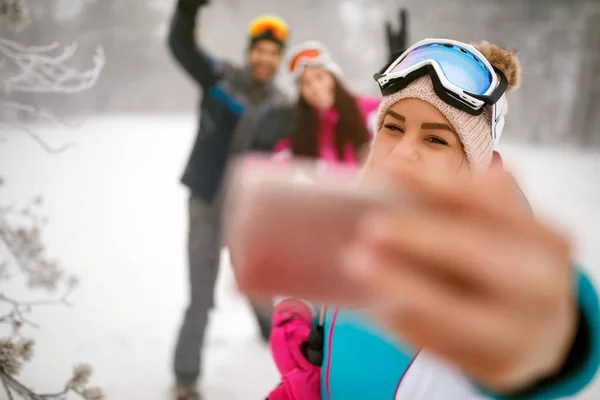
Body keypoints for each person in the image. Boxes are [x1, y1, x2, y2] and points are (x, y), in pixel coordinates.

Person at [266, 39, 600, 399]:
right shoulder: (369, 218)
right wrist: (306, 333)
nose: (403, 152)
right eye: (393, 128)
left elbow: (542, 333)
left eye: (436, 140)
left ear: (477, 161)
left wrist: (562, 341)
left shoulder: (483, 259)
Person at [166, 0, 293, 398]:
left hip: (246, 213)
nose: (265, 58)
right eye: (260, 50)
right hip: (205, 203)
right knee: (200, 297)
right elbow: (182, 47)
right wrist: (187, 10)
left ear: (278, 59)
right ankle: (186, 378)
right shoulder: (220, 78)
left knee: (255, 282)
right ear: (249, 50)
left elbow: (322, 124)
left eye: (273, 53)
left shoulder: (282, 106)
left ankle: (269, 334)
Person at [272, 41, 380, 166]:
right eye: (306, 83)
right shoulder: (301, 126)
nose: (315, 87)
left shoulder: (370, 110)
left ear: (332, 77)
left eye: (319, 77)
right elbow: (278, 162)